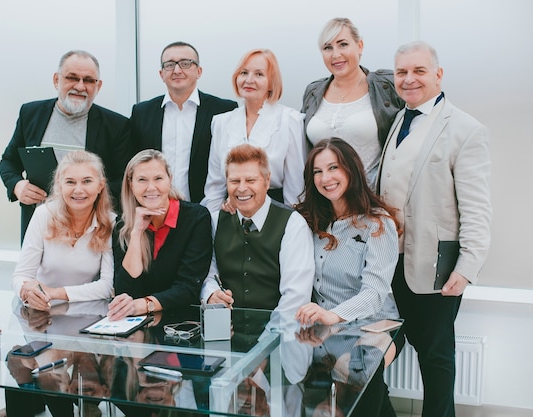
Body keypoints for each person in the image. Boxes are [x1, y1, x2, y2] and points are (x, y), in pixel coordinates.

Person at [378, 41, 491, 417]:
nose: (409, 79)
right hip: (387, 262)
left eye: (419, 71)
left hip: (436, 267)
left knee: (436, 359)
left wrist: (467, 268)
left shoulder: (466, 130)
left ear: (438, 74)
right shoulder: (398, 119)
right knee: (380, 350)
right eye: (401, 72)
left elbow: (477, 209)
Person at [294, 138, 402, 416]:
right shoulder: (307, 220)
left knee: (360, 377)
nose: (325, 178)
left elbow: (375, 292)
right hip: (324, 327)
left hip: (373, 325)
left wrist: (335, 316)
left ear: (351, 170)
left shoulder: (377, 223)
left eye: (333, 167)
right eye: (317, 171)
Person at [0, 50, 130, 242]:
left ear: (98, 85)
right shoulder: (31, 114)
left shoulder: (116, 126)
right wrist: (17, 185)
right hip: (39, 228)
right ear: (56, 80)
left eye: (88, 80)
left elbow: (123, 181)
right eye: (72, 78)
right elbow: (8, 162)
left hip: (90, 233)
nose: (80, 86)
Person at [201, 143, 314, 317]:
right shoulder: (216, 221)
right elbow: (208, 274)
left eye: (251, 180)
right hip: (226, 334)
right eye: (234, 181)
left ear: (267, 181)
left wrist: (268, 338)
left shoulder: (292, 224)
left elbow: (296, 296)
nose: (242, 188)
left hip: (278, 336)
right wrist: (211, 293)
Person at [107, 150, 212, 321]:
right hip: (138, 326)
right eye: (142, 180)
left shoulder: (196, 218)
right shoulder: (123, 224)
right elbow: (125, 292)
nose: (151, 187)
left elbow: (188, 288)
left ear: (170, 179)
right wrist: (137, 233)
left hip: (183, 325)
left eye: (158, 178)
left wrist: (143, 304)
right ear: (131, 184)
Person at [301, 17, 404, 190]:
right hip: (325, 203)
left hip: (370, 200)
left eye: (343, 44)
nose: (336, 54)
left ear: (360, 46)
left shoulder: (387, 86)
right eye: (328, 47)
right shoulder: (313, 91)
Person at [129, 41, 237, 203]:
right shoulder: (142, 112)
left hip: (205, 208)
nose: (177, 70)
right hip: (156, 209)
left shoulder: (223, 110)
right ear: (161, 74)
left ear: (199, 71)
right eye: (170, 65)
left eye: (185, 64)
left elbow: (232, 162)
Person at [201, 48, 306, 211]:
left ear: (271, 82)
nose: (249, 80)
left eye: (259, 74)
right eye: (244, 73)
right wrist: (215, 225)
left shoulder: (290, 120)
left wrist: (289, 228)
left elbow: (296, 189)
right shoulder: (221, 122)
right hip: (231, 214)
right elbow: (214, 188)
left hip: (275, 214)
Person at [12, 150, 116, 310]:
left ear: (100, 185)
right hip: (41, 314)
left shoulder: (111, 222)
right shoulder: (43, 214)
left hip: (88, 314)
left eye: (87, 181)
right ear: (59, 184)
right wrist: (28, 292)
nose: (79, 190)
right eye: (70, 182)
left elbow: (107, 286)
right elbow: (21, 275)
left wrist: (53, 293)